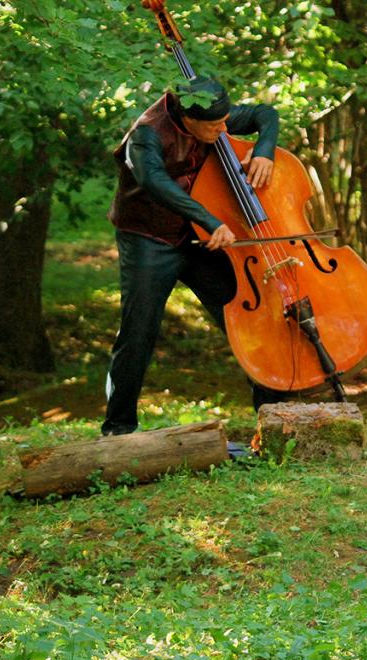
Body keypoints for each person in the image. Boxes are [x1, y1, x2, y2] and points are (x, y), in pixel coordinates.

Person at [101, 75, 283, 436]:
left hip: (198, 239)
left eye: (224, 122)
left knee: (248, 314)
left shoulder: (210, 112)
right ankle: (118, 429)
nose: (222, 130)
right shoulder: (146, 134)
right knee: (138, 331)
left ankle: (274, 415)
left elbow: (266, 114)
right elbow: (156, 183)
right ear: (187, 120)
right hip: (148, 240)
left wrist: (264, 149)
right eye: (213, 126)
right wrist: (209, 219)